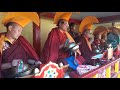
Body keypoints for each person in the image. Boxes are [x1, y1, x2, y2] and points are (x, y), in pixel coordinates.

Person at [0, 12, 41, 78]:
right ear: (10, 28)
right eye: (18, 30)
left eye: (21, 31)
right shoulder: (1, 41)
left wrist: (34, 62)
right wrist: (11, 64)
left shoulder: (21, 41)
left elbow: (26, 59)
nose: (20, 33)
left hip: (25, 72)